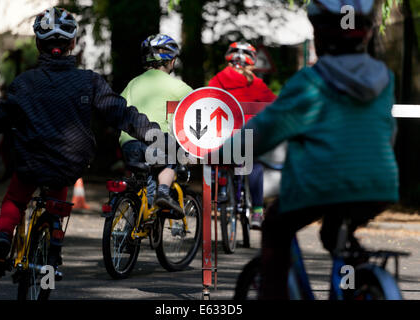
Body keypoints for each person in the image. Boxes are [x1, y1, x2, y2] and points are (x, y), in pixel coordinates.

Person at [216, 0, 398, 299]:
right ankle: (362, 282)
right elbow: (388, 132)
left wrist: (221, 153)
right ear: (365, 33)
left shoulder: (311, 82)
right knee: (335, 234)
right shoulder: (384, 78)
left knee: (276, 227)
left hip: (321, 185)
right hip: (379, 185)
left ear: (321, 36)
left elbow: (265, 130)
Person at [0, 7, 162, 282]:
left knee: (16, 198)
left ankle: (3, 239)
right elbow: (121, 113)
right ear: (73, 43)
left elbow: (0, 118)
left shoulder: (25, 83)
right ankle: (53, 247)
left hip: (30, 162)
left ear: (38, 43)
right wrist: (154, 134)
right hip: (69, 162)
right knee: (57, 193)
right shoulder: (89, 82)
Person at [118, 34, 193, 216]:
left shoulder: (133, 83)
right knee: (173, 157)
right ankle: (164, 192)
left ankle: (136, 218)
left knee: (142, 186)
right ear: (172, 61)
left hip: (129, 143)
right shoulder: (178, 86)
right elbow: (198, 105)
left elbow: (118, 106)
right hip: (157, 141)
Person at [208, 41, 277, 229]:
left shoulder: (218, 79)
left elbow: (207, 100)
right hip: (248, 138)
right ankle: (256, 211)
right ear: (251, 62)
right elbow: (274, 106)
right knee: (254, 164)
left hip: (222, 138)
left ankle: (219, 186)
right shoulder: (255, 83)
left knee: (217, 159)